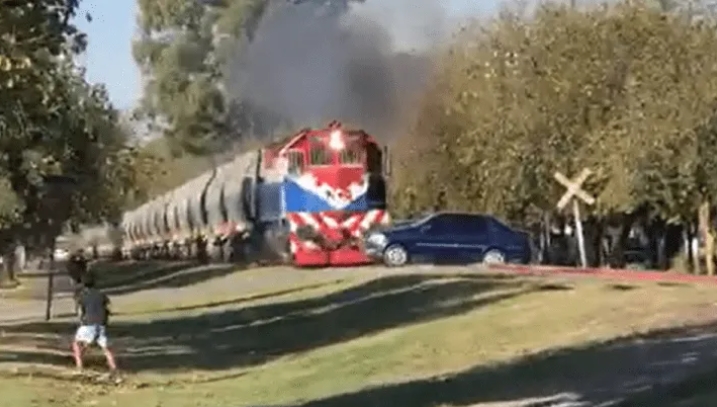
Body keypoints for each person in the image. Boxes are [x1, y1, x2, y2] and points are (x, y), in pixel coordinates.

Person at [72, 274, 119, 379]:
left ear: (83, 284)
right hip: (101, 324)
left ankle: (79, 367)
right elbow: (110, 308)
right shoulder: (102, 294)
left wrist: (81, 320)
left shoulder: (82, 296)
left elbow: (80, 312)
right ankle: (113, 368)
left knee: (76, 344)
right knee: (106, 349)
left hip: (88, 323)